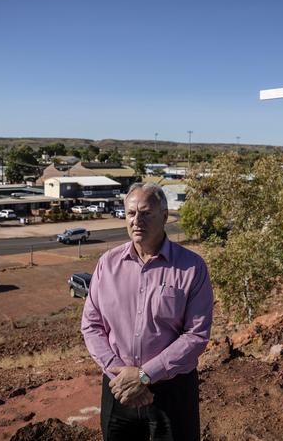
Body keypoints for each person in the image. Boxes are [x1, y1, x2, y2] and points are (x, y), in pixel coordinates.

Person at [82, 183, 213, 441]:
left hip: (170, 393)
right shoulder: (107, 264)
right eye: (131, 214)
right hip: (118, 389)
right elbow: (91, 325)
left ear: (164, 217)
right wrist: (121, 375)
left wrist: (144, 375)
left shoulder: (192, 267)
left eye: (146, 213)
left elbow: (196, 335)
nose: (137, 221)